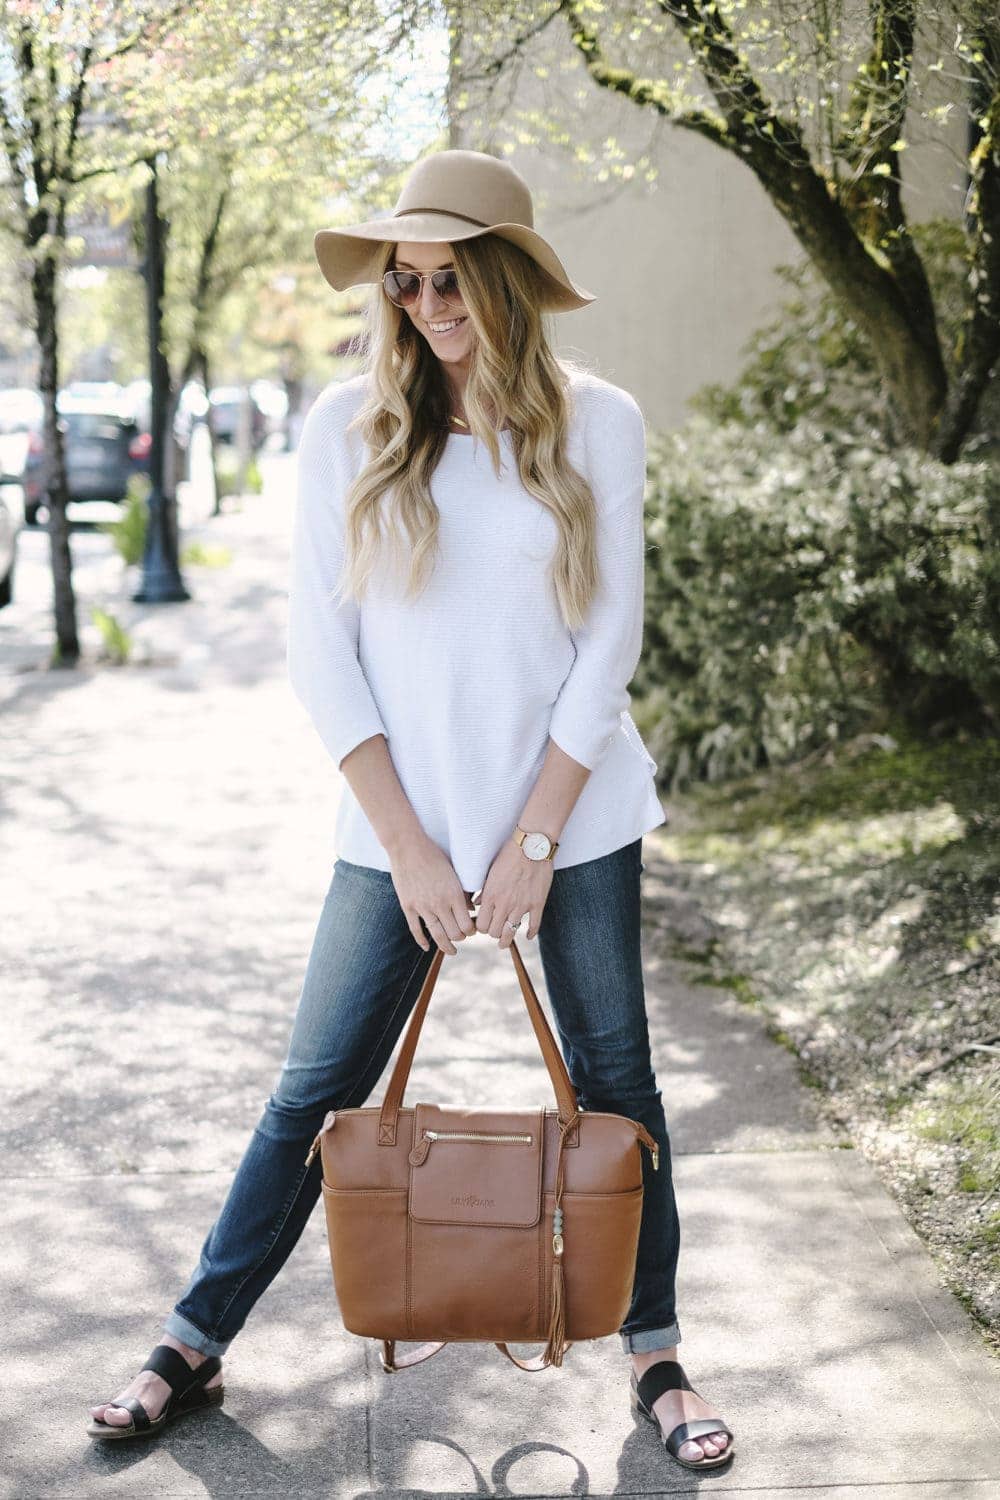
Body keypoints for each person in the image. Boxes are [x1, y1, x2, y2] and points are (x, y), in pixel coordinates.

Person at [87, 148, 734, 1473]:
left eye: (451, 278)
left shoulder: (600, 422)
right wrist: (413, 850)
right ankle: (191, 1341)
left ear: (504, 279)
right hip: (399, 836)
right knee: (313, 1093)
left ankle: (657, 1348)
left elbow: (609, 648)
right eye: (408, 280)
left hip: (578, 819)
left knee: (619, 1088)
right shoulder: (346, 426)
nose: (428, 305)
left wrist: (535, 843)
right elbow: (323, 656)